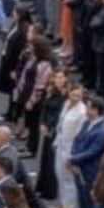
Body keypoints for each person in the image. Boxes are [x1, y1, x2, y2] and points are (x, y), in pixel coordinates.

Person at [67, 95, 104, 208]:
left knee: (89, 203)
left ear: (96, 110)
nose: (86, 110)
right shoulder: (87, 123)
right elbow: (77, 139)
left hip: (91, 171)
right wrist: (73, 157)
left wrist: (74, 159)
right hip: (79, 167)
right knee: (82, 200)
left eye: (89, 107)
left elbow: (93, 151)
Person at [52, 84, 86, 208]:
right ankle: (62, 203)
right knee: (59, 173)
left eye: (78, 96)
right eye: (73, 95)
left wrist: (73, 155)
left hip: (70, 147)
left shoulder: (82, 112)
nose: (75, 98)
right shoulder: (66, 104)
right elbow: (60, 125)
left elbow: (79, 134)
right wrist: (56, 141)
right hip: (61, 142)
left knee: (67, 178)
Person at [34, 69, 68, 201]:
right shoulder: (50, 92)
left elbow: (60, 114)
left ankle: (51, 191)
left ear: (65, 79)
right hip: (47, 128)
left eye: (61, 77)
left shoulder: (65, 96)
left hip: (55, 130)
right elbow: (44, 109)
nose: (58, 80)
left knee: (51, 161)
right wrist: (42, 123)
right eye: (56, 77)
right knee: (44, 158)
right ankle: (42, 188)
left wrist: (49, 126)